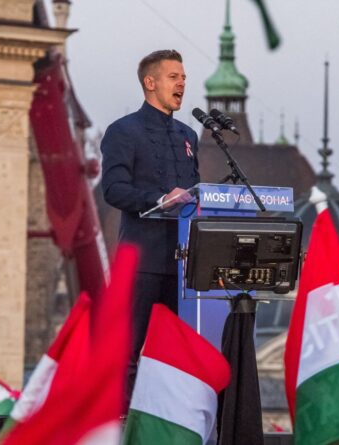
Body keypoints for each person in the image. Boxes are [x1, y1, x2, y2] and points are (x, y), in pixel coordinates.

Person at [100, 49, 200, 405]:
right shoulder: (123, 131)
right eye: (174, 77)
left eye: (184, 77)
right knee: (127, 355)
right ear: (150, 82)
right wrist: (159, 199)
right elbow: (112, 189)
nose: (182, 83)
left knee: (178, 356)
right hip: (141, 261)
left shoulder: (189, 135)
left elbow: (195, 188)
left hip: (183, 263)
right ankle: (122, 426)